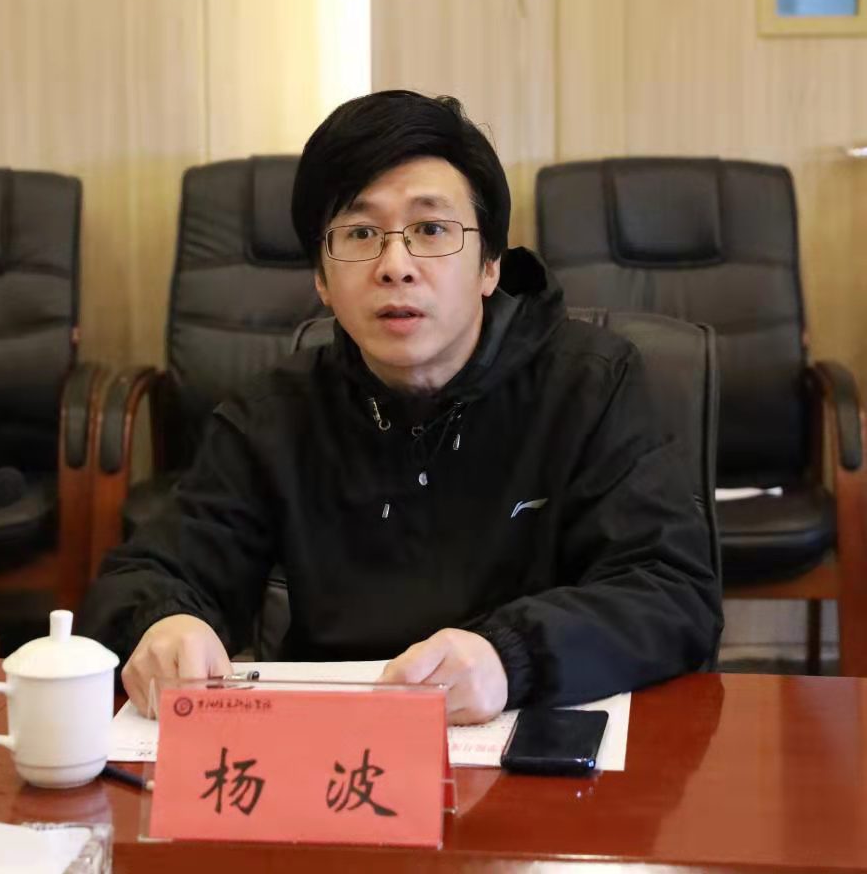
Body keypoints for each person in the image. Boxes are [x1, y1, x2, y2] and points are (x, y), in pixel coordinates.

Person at [79, 90, 722, 722]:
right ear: (322, 279)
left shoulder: (592, 385)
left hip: (531, 739)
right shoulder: (274, 415)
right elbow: (146, 574)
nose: (395, 265)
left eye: (431, 229)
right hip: (329, 755)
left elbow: (670, 592)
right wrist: (163, 623)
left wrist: (510, 657)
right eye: (360, 233)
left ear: (490, 265)